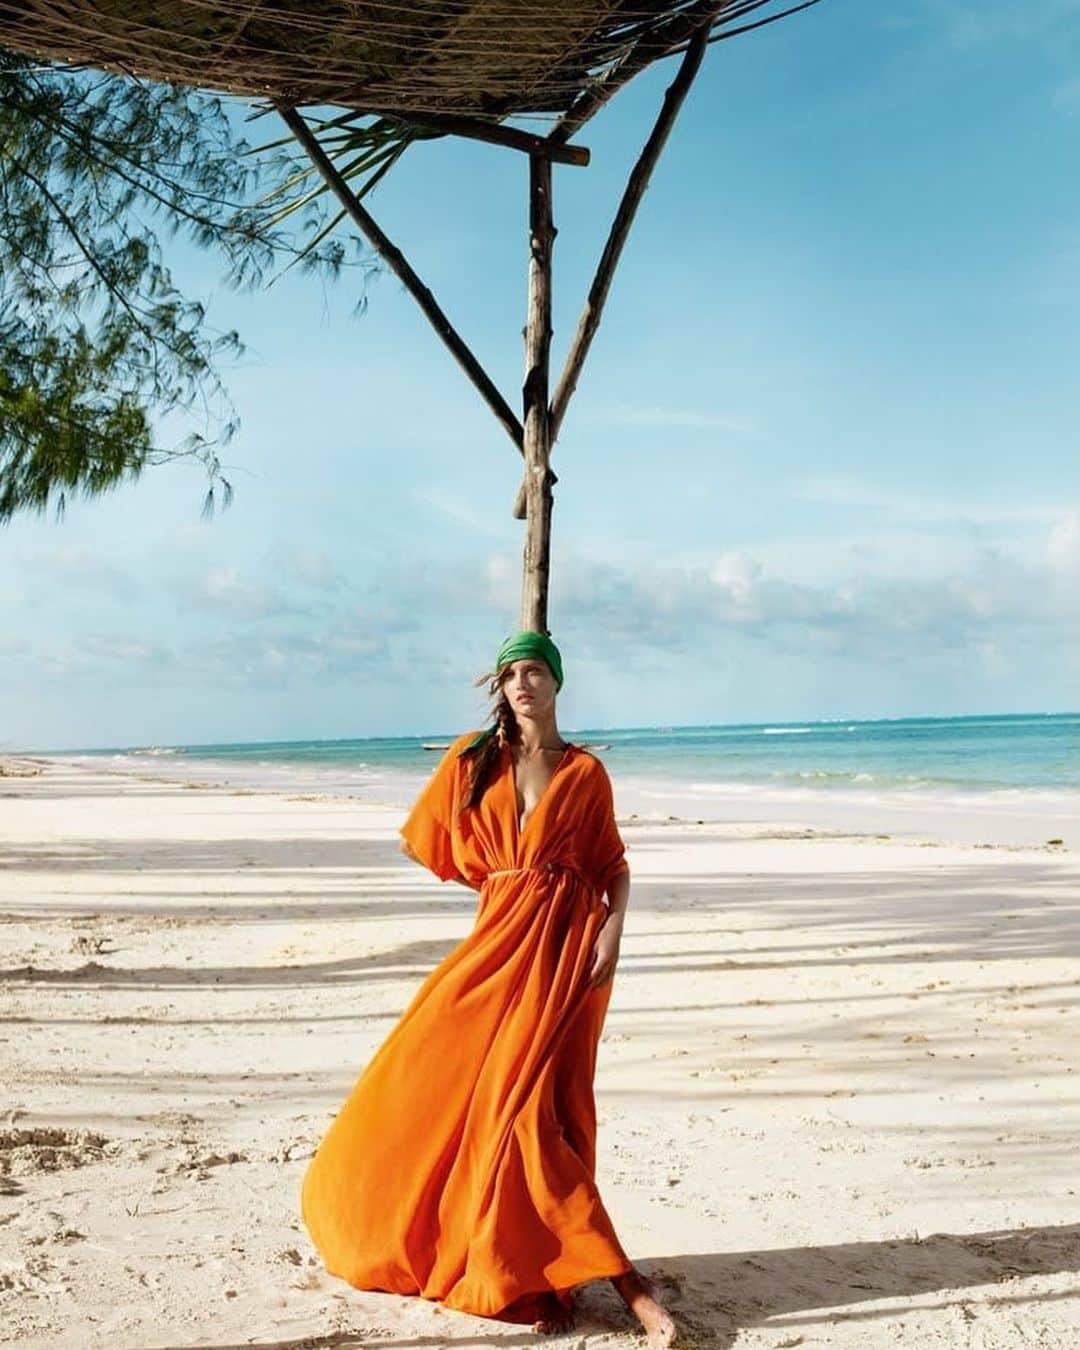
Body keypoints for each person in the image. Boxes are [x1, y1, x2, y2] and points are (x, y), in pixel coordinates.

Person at [300, 630, 676, 1346]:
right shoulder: (474, 760)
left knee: (536, 1106)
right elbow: (424, 840)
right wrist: (503, 879)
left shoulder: (587, 773)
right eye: (510, 675)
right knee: (441, 1078)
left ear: (557, 682)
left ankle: (547, 1270)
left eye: (534, 671)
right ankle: (573, 1272)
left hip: (567, 952)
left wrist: (611, 930)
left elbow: (614, 864)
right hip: (496, 945)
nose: (522, 685)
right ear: (500, 689)